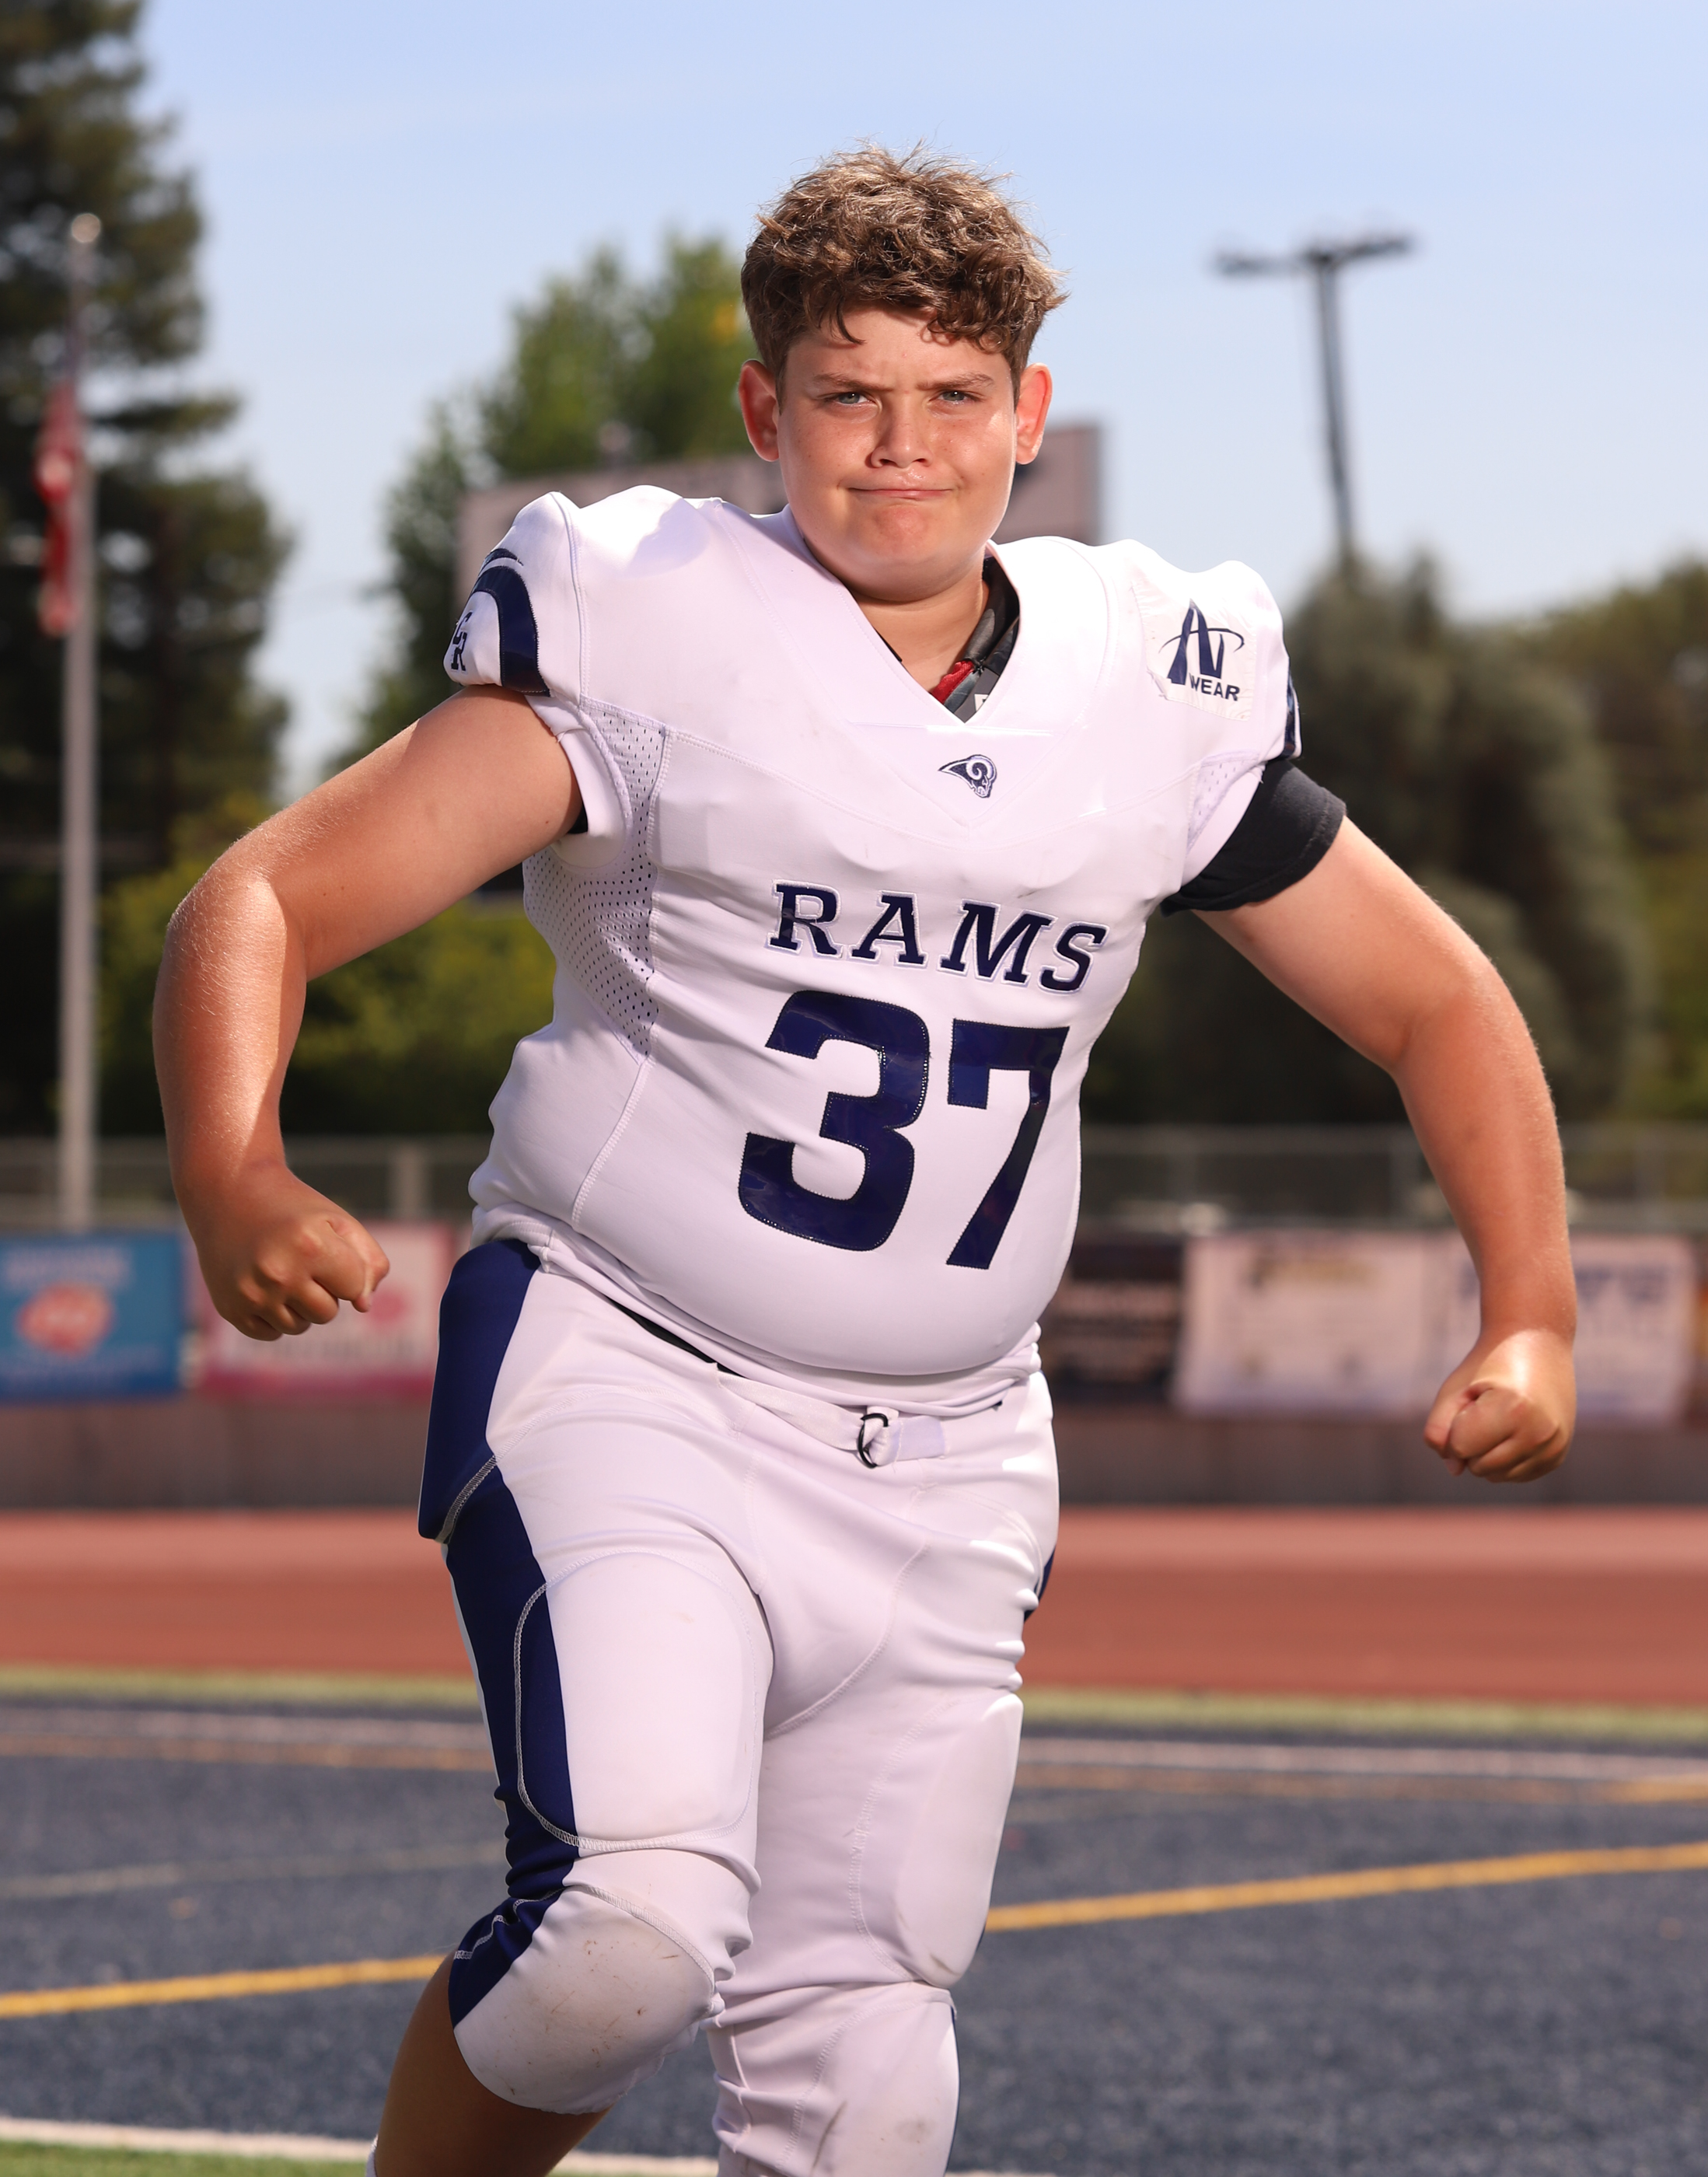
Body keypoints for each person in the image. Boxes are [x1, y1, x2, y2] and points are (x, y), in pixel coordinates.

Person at [154, 148, 1576, 2177]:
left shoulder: (1145, 686)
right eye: (848, 393)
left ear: (1029, 412)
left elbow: (1436, 998)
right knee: (621, 1939)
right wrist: (234, 1168)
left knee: (872, 2059)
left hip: (956, 1450)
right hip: (633, 1370)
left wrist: (1530, 1305)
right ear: (766, 409)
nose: (903, 445)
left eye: (953, 394)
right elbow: (265, 896)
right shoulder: (653, 623)